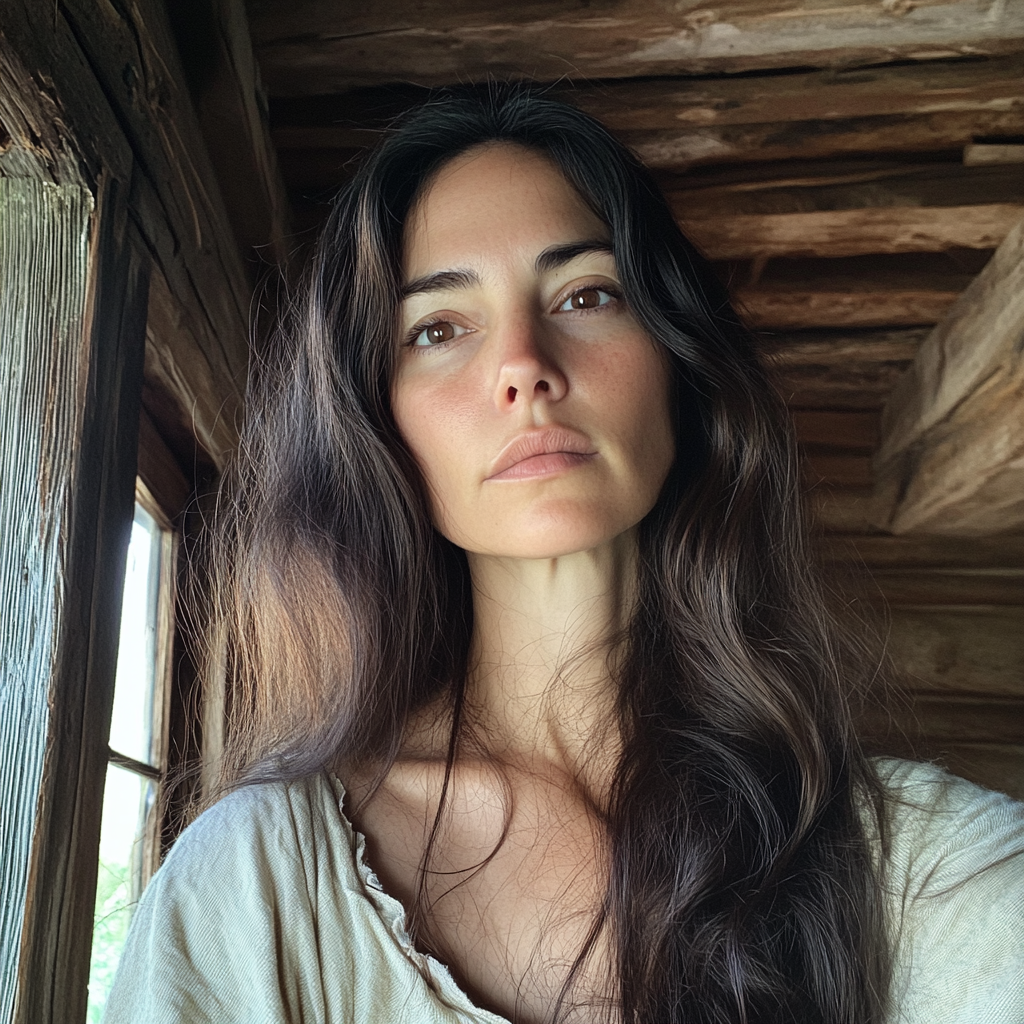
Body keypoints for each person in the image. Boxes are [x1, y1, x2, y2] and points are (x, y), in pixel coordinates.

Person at [104, 86, 1024, 1024]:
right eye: (438, 328)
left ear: (679, 365)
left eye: (586, 294)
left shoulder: (911, 871)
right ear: (378, 425)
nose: (522, 365)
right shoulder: (255, 887)